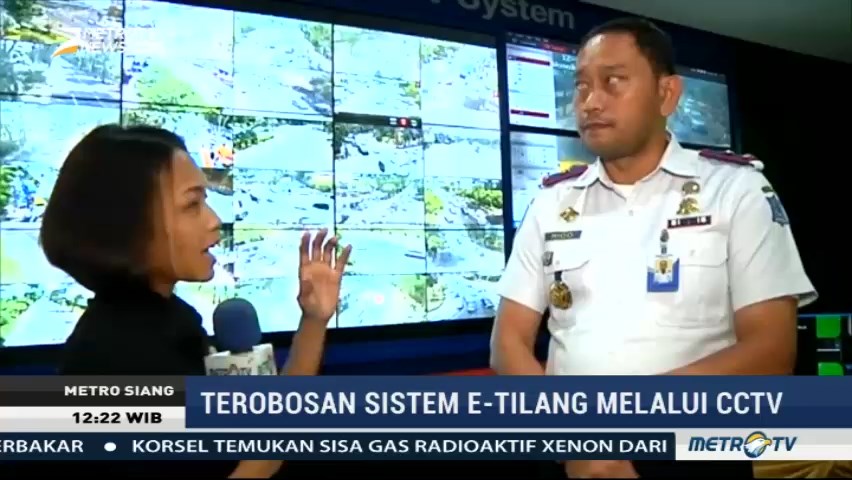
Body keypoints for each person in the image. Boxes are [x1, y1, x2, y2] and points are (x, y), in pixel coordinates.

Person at [490, 17, 816, 479]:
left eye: (613, 81)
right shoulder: (551, 203)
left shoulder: (735, 190)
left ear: (667, 94)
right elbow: (507, 342)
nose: (591, 101)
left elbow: (771, 350)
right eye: (581, 85)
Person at [35, 124, 352, 478]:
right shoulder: (121, 360)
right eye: (192, 205)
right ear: (128, 225)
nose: (214, 221)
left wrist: (314, 319)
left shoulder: (164, 320)